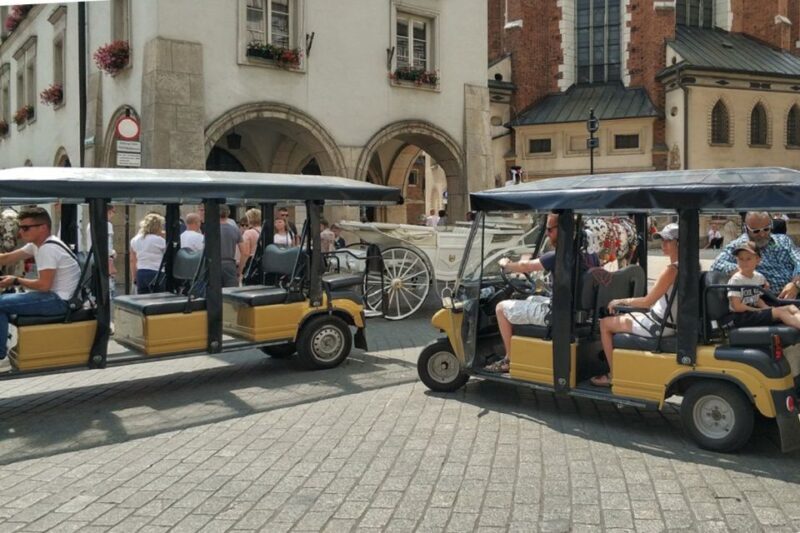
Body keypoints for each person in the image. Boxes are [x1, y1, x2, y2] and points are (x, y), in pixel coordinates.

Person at [485, 214, 599, 373]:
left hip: (557, 314)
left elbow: (525, 266)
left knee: (501, 308)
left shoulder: (558, 256)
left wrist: (507, 264)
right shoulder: (590, 256)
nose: (547, 233)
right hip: (576, 311)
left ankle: (509, 359)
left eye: (549, 230)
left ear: (562, 230)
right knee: (530, 297)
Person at [592, 223, 680, 387]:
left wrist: (620, 301)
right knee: (620, 317)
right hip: (667, 322)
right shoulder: (689, 266)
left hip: (657, 325)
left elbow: (647, 301)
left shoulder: (672, 270)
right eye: (662, 240)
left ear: (679, 243)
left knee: (605, 324)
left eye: (668, 241)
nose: (663, 245)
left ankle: (613, 374)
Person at [0, 207, 81, 361]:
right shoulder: (37, 244)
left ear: (43, 227)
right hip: (52, 297)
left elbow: (44, 285)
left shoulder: (47, 249)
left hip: (59, 301)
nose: (21, 232)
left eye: (25, 228)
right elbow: (6, 258)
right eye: (20, 227)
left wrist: (15, 280)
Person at [711, 211, 800, 299]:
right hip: (767, 300)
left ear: (771, 226)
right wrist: (748, 271)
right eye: (756, 231)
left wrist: (795, 284)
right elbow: (717, 264)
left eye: (766, 229)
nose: (762, 234)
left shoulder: (783, 240)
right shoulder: (739, 245)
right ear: (746, 228)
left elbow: (798, 261)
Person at [726, 241, 800, 329]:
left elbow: (756, 298)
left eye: (748, 258)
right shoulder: (736, 280)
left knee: (791, 307)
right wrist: (760, 310)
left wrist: (766, 307)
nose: (744, 262)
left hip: (753, 312)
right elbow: (737, 306)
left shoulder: (758, 277)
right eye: (740, 259)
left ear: (758, 260)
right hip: (741, 317)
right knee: (779, 312)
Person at [130, 213, 166, 294]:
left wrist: (134, 276)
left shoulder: (135, 240)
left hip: (141, 273)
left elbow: (132, 260)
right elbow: (168, 255)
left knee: (143, 300)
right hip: (156, 272)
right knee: (158, 301)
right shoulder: (159, 240)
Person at [86, 204, 117, 297]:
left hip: (93, 258)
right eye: (114, 212)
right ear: (109, 211)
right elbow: (108, 244)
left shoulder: (90, 223)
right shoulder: (107, 225)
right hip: (105, 260)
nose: (113, 215)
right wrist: (112, 254)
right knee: (108, 291)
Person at [220, 204, 247, 288]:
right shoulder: (235, 229)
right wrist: (239, 270)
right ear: (228, 213)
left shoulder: (210, 230)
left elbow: (204, 250)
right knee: (231, 296)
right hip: (230, 265)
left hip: (213, 265)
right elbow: (245, 253)